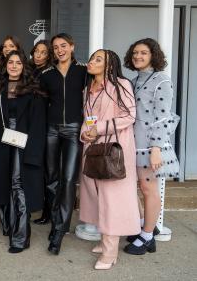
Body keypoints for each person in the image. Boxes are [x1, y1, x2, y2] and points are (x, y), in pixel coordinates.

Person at [79, 49, 139, 270]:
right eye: (92, 58)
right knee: (95, 194)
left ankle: (110, 251)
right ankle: (105, 237)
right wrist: (85, 133)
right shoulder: (87, 88)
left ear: (109, 65)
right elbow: (87, 119)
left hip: (114, 148)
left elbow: (129, 115)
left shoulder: (121, 85)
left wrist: (100, 129)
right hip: (93, 146)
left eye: (98, 59)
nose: (91, 62)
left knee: (112, 197)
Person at [0, 50, 47, 253]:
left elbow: (38, 124)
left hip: (24, 142)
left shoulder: (33, 91)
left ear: (23, 66)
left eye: (18, 63)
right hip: (2, 142)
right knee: (3, 181)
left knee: (18, 184)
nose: (13, 66)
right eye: (10, 62)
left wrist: (34, 150)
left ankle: (20, 236)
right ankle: (9, 225)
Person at [123, 38, 180, 255]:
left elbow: (163, 116)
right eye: (135, 52)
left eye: (144, 53)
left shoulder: (162, 81)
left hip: (150, 145)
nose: (138, 56)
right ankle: (146, 227)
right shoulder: (134, 80)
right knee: (138, 188)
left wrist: (156, 148)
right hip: (134, 143)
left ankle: (147, 236)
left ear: (153, 55)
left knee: (149, 189)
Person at [40, 33, 87, 255]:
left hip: (74, 130)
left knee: (68, 179)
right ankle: (55, 219)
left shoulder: (84, 71)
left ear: (72, 46)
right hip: (51, 129)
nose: (60, 50)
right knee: (51, 178)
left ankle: (59, 230)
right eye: (56, 47)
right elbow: (40, 104)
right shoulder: (47, 74)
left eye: (63, 46)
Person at [29, 39, 53, 226]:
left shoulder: (49, 74)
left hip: (46, 125)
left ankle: (49, 211)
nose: (39, 55)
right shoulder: (30, 71)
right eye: (37, 51)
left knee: (48, 170)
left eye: (43, 52)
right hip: (31, 124)